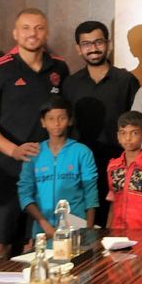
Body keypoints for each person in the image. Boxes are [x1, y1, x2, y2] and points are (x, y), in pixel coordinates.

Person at [0, 8, 70, 257]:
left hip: (45, 172)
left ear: (46, 32)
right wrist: (13, 150)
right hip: (5, 170)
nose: (32, 33)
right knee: (0, 246)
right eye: (26, 28)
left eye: (39, 28)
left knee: (37, 245)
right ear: (15, 33)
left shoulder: (59, 67)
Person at [63, 20, 140, 227]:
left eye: (98, 42)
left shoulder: (126, 81)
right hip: (80, 166)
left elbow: (137, 123)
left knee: (115, 222)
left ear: (109, 44)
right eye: (86, 44)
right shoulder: (70, 84)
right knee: (82, 223)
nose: (93, 48)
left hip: (119, 163)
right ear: (78, 49)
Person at [18, 96, 99, 237]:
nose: (56, 123)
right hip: (43, 231)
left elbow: (91, 194)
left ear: (70, 120)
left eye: (61, 118)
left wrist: (89, 229)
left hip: (76, 229)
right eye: (50, 118)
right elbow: (25, 193)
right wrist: (44, 224)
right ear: (43, 122)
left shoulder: (82, 152)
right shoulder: (33, 153)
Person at [106, 111, 142, 231]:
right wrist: (108, 231)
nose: (128, 138)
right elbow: (113, 202)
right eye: (123, 133)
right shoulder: (113, 166)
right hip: (117, 231)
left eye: (134, 133)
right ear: (118, 136)